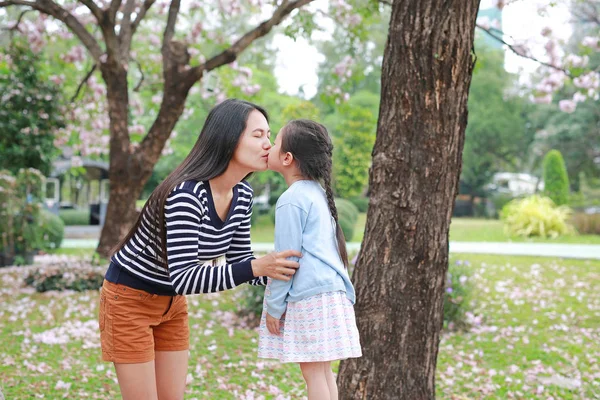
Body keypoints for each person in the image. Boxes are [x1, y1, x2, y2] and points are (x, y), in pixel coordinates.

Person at [98, 99, 301, 400]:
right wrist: (258, 267)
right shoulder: (187, 194)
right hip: (129, 301)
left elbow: (241, 261)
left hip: (172, 305)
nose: (268, 145)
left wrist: (288, 272)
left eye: (269, 136)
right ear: (228, 137)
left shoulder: (242, 195)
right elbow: (185, 277)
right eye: (258, 135)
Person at [257, 119, 362, 399]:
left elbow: (285, 262)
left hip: (310, 297)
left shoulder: (292, 199)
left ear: (287, 158)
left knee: (313, 373)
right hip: (330, 294)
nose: (268, 146)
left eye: (275, 142)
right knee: (323, 371)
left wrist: (274, 307)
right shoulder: (316, 192)